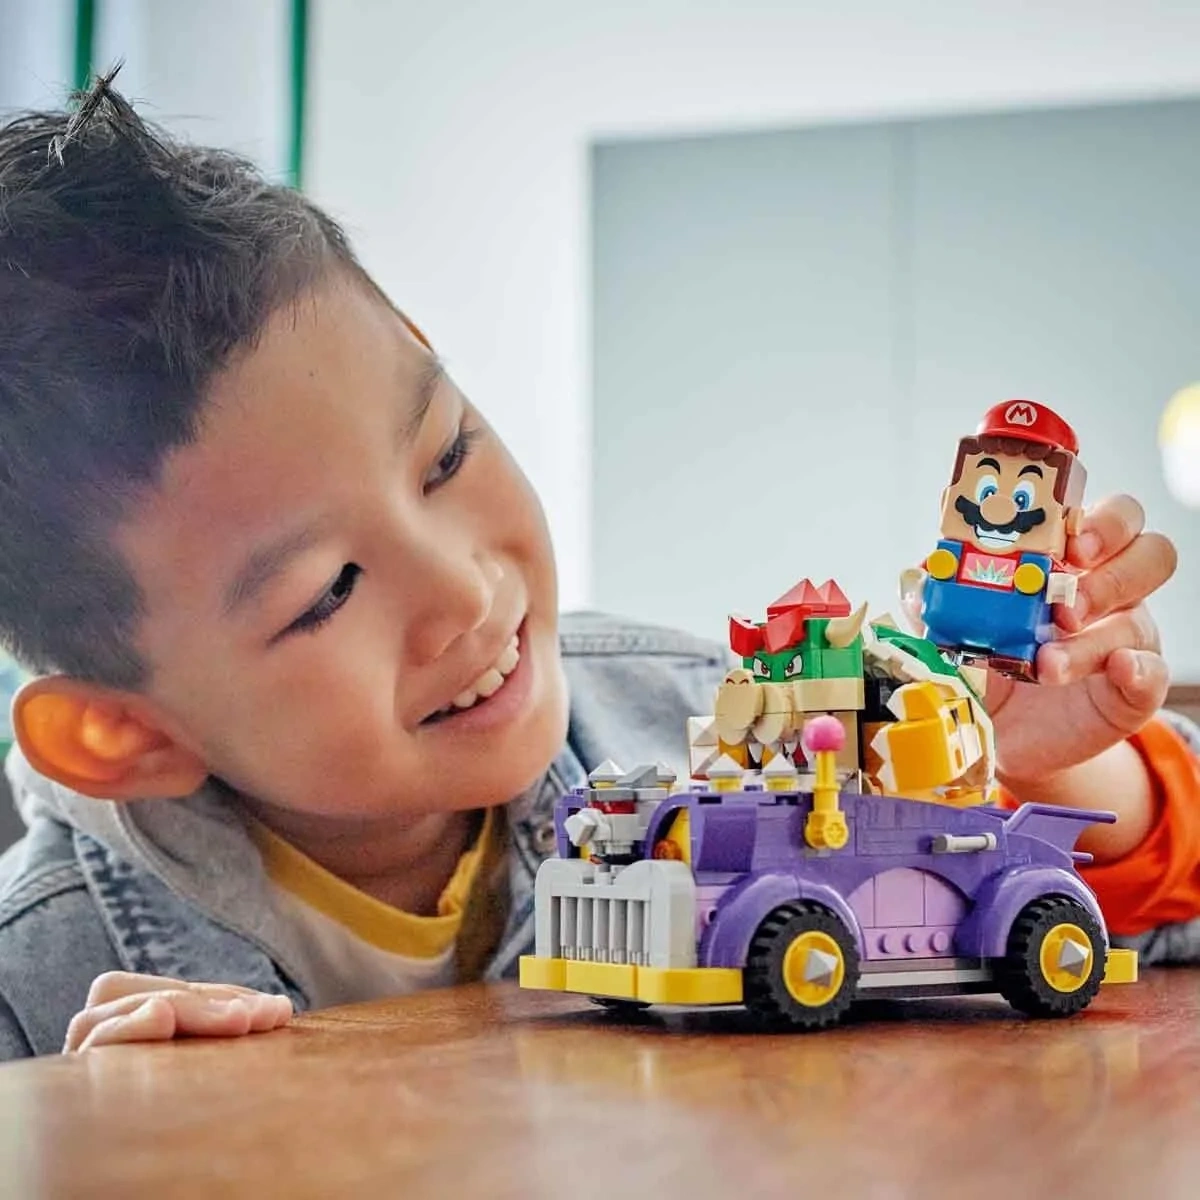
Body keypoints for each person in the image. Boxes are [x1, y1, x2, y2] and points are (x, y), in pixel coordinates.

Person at [0, 75, 1195, 1059]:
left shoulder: (720, 724)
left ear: (424, 348)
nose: (467, 592)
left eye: (445, 455)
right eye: (328, 594)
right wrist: (98, 1144)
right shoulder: (38, 990)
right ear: (122, 734)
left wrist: (1045, 769)